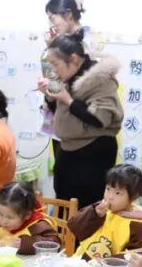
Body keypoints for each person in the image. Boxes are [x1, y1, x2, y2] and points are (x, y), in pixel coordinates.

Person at [40, 31, 122, 206]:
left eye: (56, 64)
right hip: (67, 150)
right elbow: (63, 112)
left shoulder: (100, 79)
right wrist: (50, 97)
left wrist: (68, 100)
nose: (53, 70)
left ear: (74, 59)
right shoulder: (69, 77)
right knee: (63, 201)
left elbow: (99, 119)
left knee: (85, 207)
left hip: (92, 154)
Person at [69, 163, 142, 259]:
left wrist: (108, 262)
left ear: (134, 197)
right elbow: (74, 227)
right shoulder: (101, 208)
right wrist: (95, 213)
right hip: (79, 261)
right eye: (108, 189)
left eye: (118, 193)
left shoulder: (139, 222)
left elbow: (135, 256)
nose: (110, 196)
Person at [0, 181, 59, 253]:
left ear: (27, 215)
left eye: (10, 217)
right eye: (0, 214)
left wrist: (25, 244)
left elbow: (55, 243)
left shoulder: (38, 225)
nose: (4, 221)